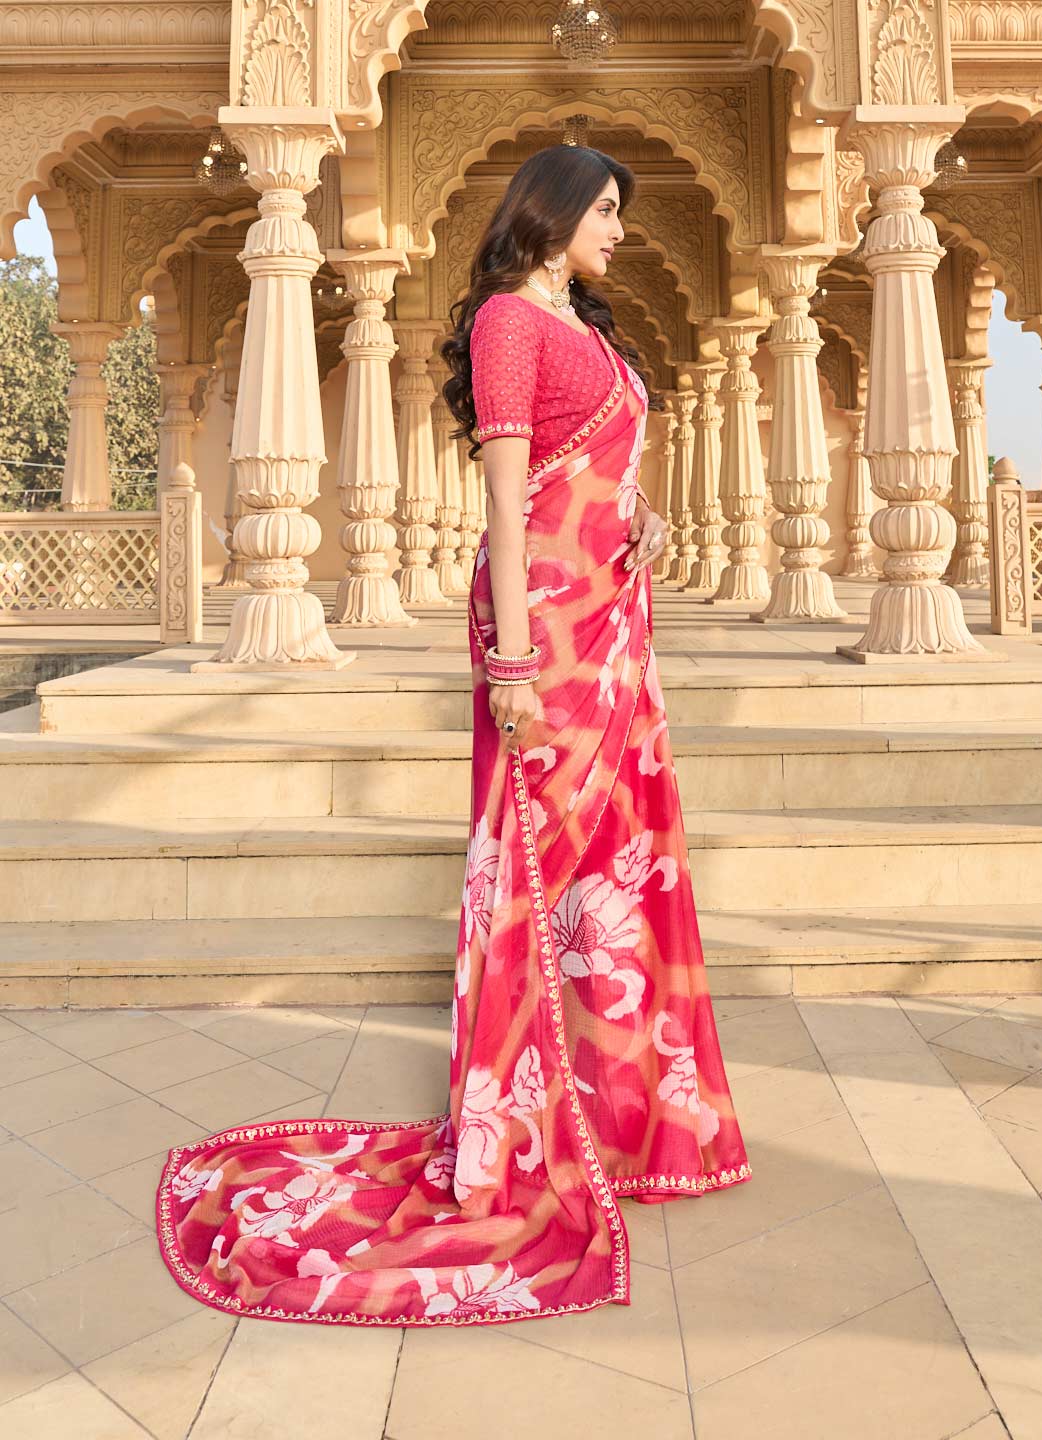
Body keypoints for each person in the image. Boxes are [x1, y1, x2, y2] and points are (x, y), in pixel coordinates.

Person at [155, 144, 750, 1329]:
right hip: (554, 633)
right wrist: (517, 662)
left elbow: (603, 470)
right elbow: (507, 502)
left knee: (616, 865)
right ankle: (532, 1120)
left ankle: (629, 1113)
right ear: (556, 210)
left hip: (616, 622)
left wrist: (651, 516)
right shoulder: (504, 325)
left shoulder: (580, 325)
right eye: (609, 211)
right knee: (548, 862)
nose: (621, 231)